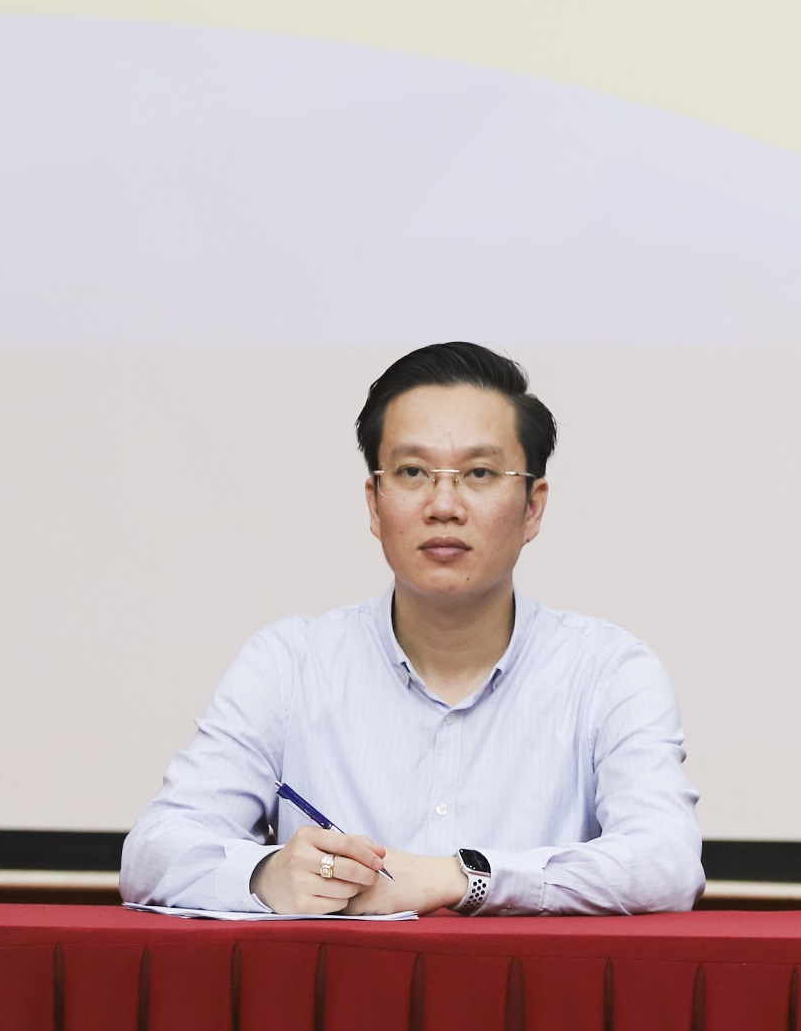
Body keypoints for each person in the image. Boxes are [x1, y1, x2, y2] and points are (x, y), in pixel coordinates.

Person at [120, 342, 705, 915]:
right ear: (374, 504)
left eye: (479, 472)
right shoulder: (289, 665)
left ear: (533, 507)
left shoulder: (608, 672)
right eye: (412, 472)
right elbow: (153, 852)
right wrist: (264, 874)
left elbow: (667, 861)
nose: (443, 505)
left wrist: (462, 878)